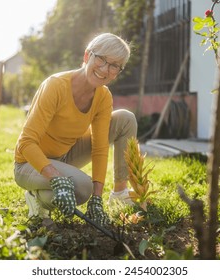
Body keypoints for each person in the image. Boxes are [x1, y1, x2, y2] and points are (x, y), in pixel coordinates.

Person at [14, 33, 137, 226]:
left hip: (65, 155)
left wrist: (97, 198)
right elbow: (25, 143)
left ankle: (119, 194)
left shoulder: (103, 97)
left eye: (114, 66)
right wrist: (56, 177)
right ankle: (36, 196)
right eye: (101, 59)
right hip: (29, 163)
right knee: (82, 188)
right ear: (87, 56)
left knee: (125, 118)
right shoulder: (55, 86)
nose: (105, 69)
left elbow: (99, 148)